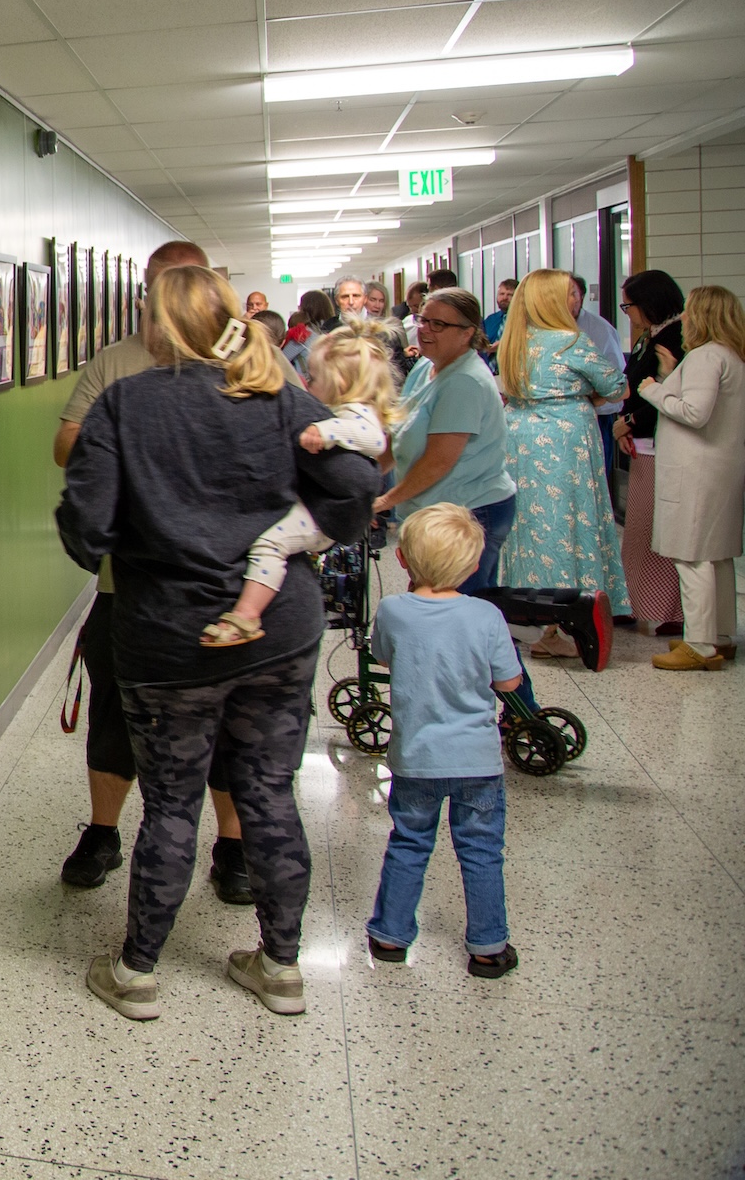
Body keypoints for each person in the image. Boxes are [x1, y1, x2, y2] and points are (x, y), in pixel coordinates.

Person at [60, 266, 379, 1020]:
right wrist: (295, 535)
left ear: (161, 325)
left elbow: (87, 528)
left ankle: (137, 973)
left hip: (168, 636)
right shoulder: (275, 394)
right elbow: (356, 487)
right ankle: (280, 966)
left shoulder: (125, 404)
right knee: (270, 791)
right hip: (278, 631)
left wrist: (145, 536)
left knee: (170, 804)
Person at [53, 241, 253, 905]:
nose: (161, 302)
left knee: (228, 723)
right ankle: (103, 834)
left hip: (230, 590)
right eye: (155, 287)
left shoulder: (248, 362)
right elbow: (66, 449)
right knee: (115, 711)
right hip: (130, 583)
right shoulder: (116, 361)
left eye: (181, 287)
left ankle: (232, 845)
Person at [363, 504, 524, 979]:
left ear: (404, 562)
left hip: (415, 760)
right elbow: (509, 683)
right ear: (474, 565)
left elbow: (383, 657)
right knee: (480, 852)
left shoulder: (393, 610)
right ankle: (489, 946)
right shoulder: (486, 615)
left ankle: (390, 937)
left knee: (409, 842)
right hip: (478, 763)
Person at [201, 328, 396, 646]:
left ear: (340, 383)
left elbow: (374, 440)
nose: (308, 384)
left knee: (269, 544)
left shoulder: (355, 413)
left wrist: (327, 431)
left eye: (315, 378)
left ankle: (247, 614)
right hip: (318, 510)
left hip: (323, 518)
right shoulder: (348, 409)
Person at [497, 270, 629, 658]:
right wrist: (585, 395)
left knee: (532, 525)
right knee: (570, 520)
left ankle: (535, 619)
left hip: (521, 435)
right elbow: (617, 387)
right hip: (566, 438)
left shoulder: (513, 342)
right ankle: (572, 613)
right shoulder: (570, 341)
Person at [374, 288, 516, 594]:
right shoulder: (427, 366)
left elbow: (438, 461)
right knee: (430, 601)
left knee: (459, 607)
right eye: (424, 320)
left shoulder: (465, 381)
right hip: (432, 508)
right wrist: (366, 479)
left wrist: (384, 501)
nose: (424, 329)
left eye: (438, 324)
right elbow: (398, 431)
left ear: (466, 333)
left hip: (470, 510)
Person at [635, 285, 745, 671]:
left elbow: (695, 413)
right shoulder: (731, 356)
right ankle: (721, 635)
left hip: (694, 472)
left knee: (692, 556)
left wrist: (653, 390)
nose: (683, 319)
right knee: (718, 555)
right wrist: (670, 379)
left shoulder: (703, 356)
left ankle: (698, 643)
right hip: (721, 470)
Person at [613, 270, 688, 638]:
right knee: (639, 532)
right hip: (643, 444)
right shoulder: (651, 337)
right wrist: (624, 423)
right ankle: (636, 603)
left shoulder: (677, 338)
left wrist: (629, 421)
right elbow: (633, 384)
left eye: (629, 305)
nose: (626, 312)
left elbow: (666, 395)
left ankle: (669, 609)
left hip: (662, 446)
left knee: (656, 531)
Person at [568, 273, 625, 492]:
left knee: (593, 486)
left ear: (581, 297)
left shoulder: (598, 330)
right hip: (561, 424)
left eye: (573, 294)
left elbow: (617, 383)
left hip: (596, 419)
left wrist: (588, 398)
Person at [284, 290, 338, 376]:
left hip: (305, 385)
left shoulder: (303, 334)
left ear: (305, 307)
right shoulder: (335, 329)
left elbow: (281, 360)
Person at [481, 279, 518, 350]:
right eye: (502, 294)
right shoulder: (491, 320)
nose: (504, 298)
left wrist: (503, 345)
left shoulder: (526, 320)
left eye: (510, 295)